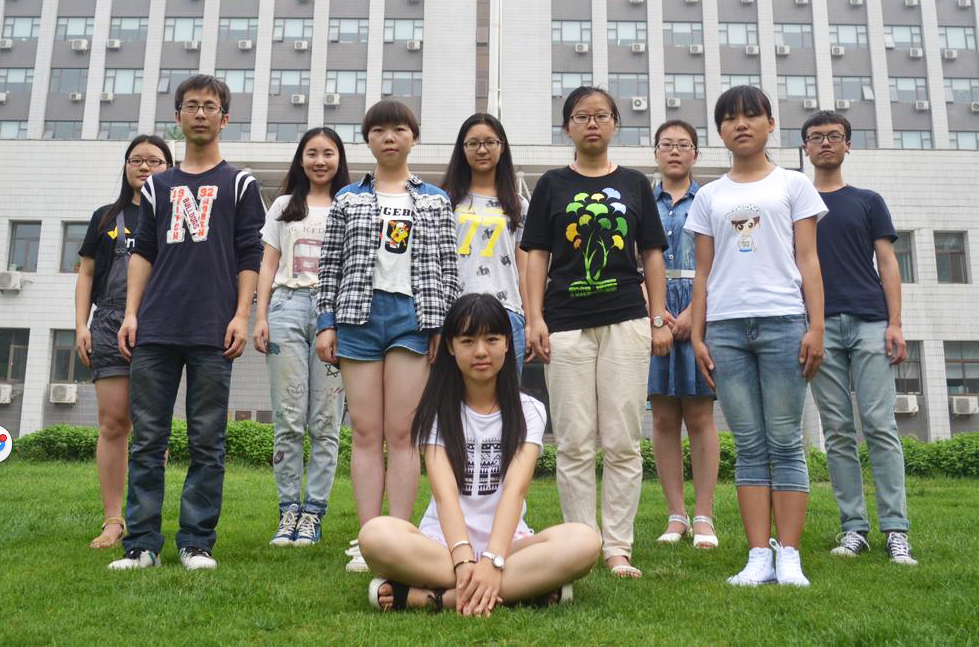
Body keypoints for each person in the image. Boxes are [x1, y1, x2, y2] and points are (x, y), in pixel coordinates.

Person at [358, 294, 601, 613]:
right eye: (468, 341)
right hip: (442, 547)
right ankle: (525, 588)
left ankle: (433, 598)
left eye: (492, 339)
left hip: (508, 546)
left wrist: (493, 559)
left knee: (586, 541)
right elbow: (444, 494)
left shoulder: (529, 410)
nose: (481, 351)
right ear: (451, 346)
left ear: (507, 344)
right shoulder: (435, 410)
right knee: (374, 535)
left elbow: (515, 491)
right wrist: (463, 561)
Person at [108, 74, 264, 571]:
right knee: (147, 440)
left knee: (207, 441)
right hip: (156, 326)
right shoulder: (157, 186)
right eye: (191, 105)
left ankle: (196, 542)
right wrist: (131, 314)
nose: (200, 113)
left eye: (209, 106)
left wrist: (241, 315)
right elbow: (143, 253)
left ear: (224, 117)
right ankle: (142, 545)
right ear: (177, 116)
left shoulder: (240, 184)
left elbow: (250, 254)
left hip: (213, 329)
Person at [521, 86, 673, 579]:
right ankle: (582, 544)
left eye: (602, 115)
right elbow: (536, 256)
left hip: (626, 320)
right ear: (567, 126)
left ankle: (618, 547)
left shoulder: (634, 184)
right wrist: (535, 317)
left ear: (614, 125)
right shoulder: (551, 185)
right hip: (564, 325)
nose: (592, 123)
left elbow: (652, 254)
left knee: (623, 440)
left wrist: (657, 317)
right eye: (582, 116)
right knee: (573, 442)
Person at [686, 86, 827, 587]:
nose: (740, 124)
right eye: (730, 118)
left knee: (785, 441)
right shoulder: (709, 196)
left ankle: (789, 555)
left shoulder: (794, 184)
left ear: (771, 124)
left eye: (751, 115)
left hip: (783, 321)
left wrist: (815, 325)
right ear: (720, 131)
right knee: (747, 444)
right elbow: (703, 272)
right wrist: (697, 335)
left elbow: (808, 259)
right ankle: (757, 555)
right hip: (725, 329)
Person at [315, 100, 460, 573]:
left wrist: (443, 327)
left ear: (413, 137)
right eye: (379, 130)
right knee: (364, 431)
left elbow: (450, 270)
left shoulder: (435, 200)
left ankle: (396, 536)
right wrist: (326, 322)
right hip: (358, 316)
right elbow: (329, 266)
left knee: (402, 432)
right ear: (368, 140)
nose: (389, 138)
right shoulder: (347, 199)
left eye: (399, 129)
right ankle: (368, 538)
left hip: (413, 317)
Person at [801, 111, 916, 566]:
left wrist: (895, 322)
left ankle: (896, 530)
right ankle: (854, 529)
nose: (826, 143)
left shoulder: (868, 201)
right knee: (837, 431)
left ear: (848, 145)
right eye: (816, 137)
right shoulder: (796, 201)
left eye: (835, 136)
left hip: (870, 321)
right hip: (819, 326)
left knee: (880, 425)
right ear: (805, 148)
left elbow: (887, 263)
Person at [253, 128, 350, 547]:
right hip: (287, 309)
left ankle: (313, 513)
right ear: (301, 159)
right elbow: (267, 264)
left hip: (334, 315)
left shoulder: (350, 204)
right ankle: (288, 510)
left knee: (325, 422)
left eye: (328, 153)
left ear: (339, 159)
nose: (320, 161)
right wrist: (260, 315)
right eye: (312, 153)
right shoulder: (283, 206)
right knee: (289, 418)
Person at [76, 135, 173, 549]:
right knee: (113, 423)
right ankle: (113, 519)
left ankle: (144, 515)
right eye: (137, 160)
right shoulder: (105, 217)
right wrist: (81, 326)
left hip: (160, 324)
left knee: (152, 428)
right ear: (126, 166)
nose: (145, 167)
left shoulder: (176, 216)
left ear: (169, 167)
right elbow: (85, 274)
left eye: (155, 160)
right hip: (109, 320)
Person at [646, 121, 720, 549]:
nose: (675, 151)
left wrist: (694, 313)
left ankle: (704, 516)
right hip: (654, 312)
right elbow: (634, 261)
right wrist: (656, 314)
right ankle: (676, 515)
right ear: (656, 152)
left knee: (699, 414)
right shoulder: (642, 200)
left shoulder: (709, 200)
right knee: (662, 416)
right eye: (667, 145)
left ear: (695, 153)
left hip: (700, 308)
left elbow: (719, 260)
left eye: (683, 145)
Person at [441, 114, 530, 375]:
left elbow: (524, 269)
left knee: (506, 395)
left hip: (507, 313)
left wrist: (530, 320)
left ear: (502, 147)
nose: (482, 150)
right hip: (454, 313)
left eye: (490, 142)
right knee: (453, 396)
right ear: (462, 148)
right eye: (473, 143)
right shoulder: (444, 200)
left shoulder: (518, 204)